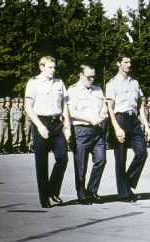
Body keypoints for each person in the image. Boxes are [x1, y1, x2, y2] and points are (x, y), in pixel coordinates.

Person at [25, 56, 71, 208]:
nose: (53, 70)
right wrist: (39, 126)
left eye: (54, 67)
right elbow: (28, 107)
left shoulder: (59, 83)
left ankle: (53, 190)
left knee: (62, 158)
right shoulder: (34, 83)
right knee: (42, 162)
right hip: (41, 122)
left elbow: (64, 105)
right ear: (41, 67)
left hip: (57, 123)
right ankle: (44, 198)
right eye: (50, 67)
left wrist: (67, 125)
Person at [106, 52, 150, 203]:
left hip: (134, 120)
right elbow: (110, 108)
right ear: (118, 64)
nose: (128, 65)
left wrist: (146, 124)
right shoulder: (112, 83)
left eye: (130, 62)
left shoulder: (135, 83)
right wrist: (116, 127)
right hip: (120, 119)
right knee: (120, 158)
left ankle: (127, 182)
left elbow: (140, 106)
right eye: (125, 62)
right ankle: (124, 194)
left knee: (142, 153)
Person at [67, 65, 108, 205]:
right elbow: (72, 112)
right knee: (81, 166)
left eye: (93, 77)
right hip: (81, 130)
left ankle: (92, 190)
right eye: (88, 77)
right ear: (81, 75)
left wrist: (103, 113)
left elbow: (104, 105)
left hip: (97, 131)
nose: (91, 80)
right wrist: (91, 119)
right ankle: (82, 194)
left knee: (101, 160)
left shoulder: (97, 89)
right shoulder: (73, 90)